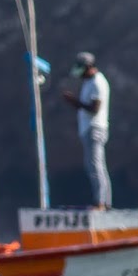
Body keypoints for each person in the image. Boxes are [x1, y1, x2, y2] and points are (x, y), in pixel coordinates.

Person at [61, 51, 111, 207]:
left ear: (88, 67)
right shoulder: (88, 82)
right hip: (89, 130)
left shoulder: (97, 82)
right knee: (93, 166)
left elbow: (95, 108)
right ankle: (103, 202)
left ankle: (101, 202)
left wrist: (74, 102)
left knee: (96, 166)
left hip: (95, 130)